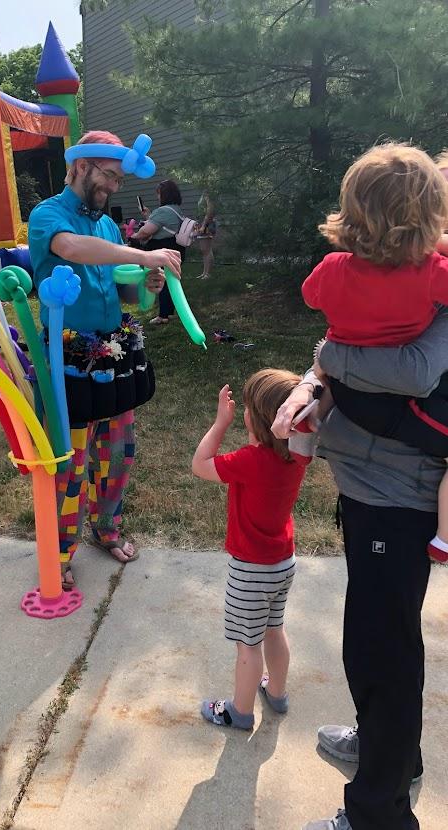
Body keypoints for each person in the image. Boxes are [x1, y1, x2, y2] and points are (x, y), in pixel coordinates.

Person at [271, 309, 448, 830]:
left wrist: (327, 356)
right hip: (371, 494)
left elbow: (412, 372)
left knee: (382, 655)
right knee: (376, 645)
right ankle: (388, 756)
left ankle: (379, 816)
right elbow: (344, 354)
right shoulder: (402, 283)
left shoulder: (438, 288)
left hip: (397, 505)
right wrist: (310, 386)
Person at [28, 130, 181, 589]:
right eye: (109, 176)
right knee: (68, 460)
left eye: (118, 179)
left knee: (118, 451)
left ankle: (107, 527)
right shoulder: (48, 214)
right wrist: (144, 252)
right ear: (81, 165)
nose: (114, 187)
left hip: (115, 352)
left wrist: (144, 286)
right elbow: (72, 249)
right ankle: (59, 550)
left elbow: (120, 288)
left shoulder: (109, 225)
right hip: (68, 356)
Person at [301, 143, 448, 563]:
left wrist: (329, 355)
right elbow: (418, 374)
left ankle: (309, 421)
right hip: (393, 412)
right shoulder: (431, 272)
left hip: (352, 390)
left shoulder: (333, 266)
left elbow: (311, 297)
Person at [192, 370, 310, 730]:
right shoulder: (296, 458)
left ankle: (239, 712)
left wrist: (219, 424)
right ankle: (277, 693)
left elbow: (199, 465)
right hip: (282, 564)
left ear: (256, 420)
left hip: (251, 572)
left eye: (245, 408)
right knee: (275, 629)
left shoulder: (249, 460)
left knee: (248, 645)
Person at [131, 179, 186, 325]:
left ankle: (163, 316)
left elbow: (145, 232)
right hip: (177, 249)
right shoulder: (177, 210)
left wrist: (132, 237)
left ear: (164, 194)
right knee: (171, 281)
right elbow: (163, 226)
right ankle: (170, 312)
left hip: (163, 250)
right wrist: (149, 216)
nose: (157, 197)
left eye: (159, 194)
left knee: (161, 281)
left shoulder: (162, 211)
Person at [195, 192, 216, 279]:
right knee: (204, 250)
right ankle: (204, 272)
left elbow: (209, 212)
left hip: (207, 225)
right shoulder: (203, 195)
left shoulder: (209, 196)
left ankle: (208, 273)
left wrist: (203, 226)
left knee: (207, 250)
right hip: (202, 224)